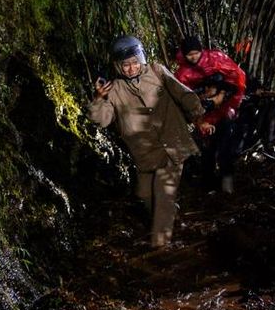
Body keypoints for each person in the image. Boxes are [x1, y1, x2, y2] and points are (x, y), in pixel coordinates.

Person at [87, 35, 213, 248]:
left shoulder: (156, 71)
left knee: (163, 195)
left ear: (141, 58)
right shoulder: (114, 89)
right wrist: (99, 99)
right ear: (118, 66)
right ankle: (172, 221)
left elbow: (183, 94)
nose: (131, 68)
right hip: (145, 153)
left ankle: (162, 247)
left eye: (134, 62)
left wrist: (199, 117)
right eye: (125, 65)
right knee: (145, 194)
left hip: (173, 143)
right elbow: (102, 119)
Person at [174, 36, 246, 193]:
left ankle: (227, 179)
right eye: (189, 54)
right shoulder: (182, 74)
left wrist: (220, 95)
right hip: (203, 114)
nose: (193, 57)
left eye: (196, 53)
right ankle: (208, 183)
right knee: (208, 148)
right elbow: (184, 99)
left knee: (226, 145)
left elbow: (236, 79)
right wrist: (201, 113)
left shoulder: (216, 59)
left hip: (225, 109)